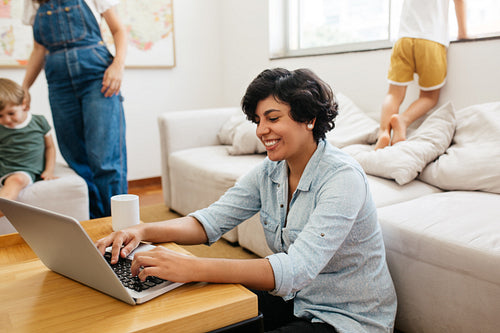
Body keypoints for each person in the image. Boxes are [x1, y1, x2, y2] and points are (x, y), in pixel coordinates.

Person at [96, 68, 397, 332]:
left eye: (272, 118)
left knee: (201, 285)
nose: (261, 130)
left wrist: (194, 268)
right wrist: (142, 230)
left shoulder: (342, 178)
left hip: (347, 318)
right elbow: (210, 221)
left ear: (308, 118)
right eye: (257, 120)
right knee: (196, 313)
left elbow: (296, 268)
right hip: (297, 299)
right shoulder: (271, 171)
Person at [21, 0, 128, 218]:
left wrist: (117, 65)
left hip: (98, 77)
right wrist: (24, 87)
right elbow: (39, 48)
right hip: (58, 83)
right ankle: (96, 223)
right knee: (75, 157)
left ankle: (120, 225)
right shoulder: (34, 2)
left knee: (105, 159)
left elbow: (118, 30)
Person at [375, 0, 467, 150]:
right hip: (431, 40)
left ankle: (383, 132)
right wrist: (462, 33)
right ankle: (403, 121)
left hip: (404, 39)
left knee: (394, 94)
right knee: (429, 96)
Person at [0, 78, 56, 202]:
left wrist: (49, 170)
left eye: (11, 113)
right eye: (0, 116)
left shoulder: (39, 122)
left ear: (24, 104)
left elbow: (50, 147)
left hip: (24, 170)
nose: (7, 120)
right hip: (3, 167)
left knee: (16, 180)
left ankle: (3, 206)